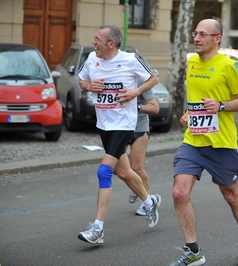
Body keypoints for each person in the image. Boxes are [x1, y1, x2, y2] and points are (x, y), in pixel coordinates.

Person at [169, 19, 238, 266]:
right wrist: (189, 114)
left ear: (217, 38)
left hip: (222, 144)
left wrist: (221, 106)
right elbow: (195, 98)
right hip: (193, 141)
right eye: (195, 33)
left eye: (203, 34)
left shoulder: (229, 66)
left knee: (231, 196)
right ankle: (193, 250)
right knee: (179, 192)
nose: (196, 38)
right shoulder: (191, 61)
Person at [76, 25, 161, 244]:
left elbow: (154, 78)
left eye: (97, 39)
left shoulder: (131, 59)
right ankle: (150, 202)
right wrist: (89, 87)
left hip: (124, 124)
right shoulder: (91, 59)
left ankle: (98, 229)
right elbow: (82, 80)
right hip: (104, 124)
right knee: (124, 172)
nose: (93, 42)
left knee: (104, 172)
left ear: (111, 44)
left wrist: (135, 92)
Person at [127, 81, 160, 216]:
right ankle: (137, 187)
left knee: (136, 167)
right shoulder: (114, 77)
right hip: (120, 128)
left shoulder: (141, 81)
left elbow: (155, 108)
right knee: (115, 168)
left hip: (139, 128)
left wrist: (134, 106)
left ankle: (149, 200)